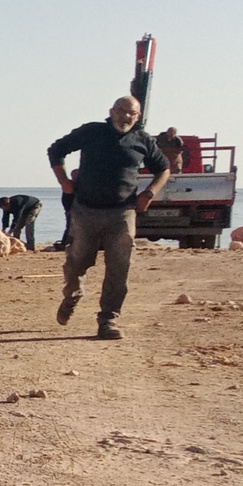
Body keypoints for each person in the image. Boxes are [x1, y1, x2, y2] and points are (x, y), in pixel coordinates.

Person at [47, 95, 172, 339]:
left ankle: (108, 320)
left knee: (119, 268)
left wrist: (149, 193)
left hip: (122, 213)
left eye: (131, 113)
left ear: (137, 117)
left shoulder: (142, 140)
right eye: (121, 110)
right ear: (111, 111)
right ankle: (72, 297)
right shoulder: (92, 131)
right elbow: (56, 150)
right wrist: (64, 182)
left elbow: (164, 168)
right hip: (86, 210)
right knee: (77, 263)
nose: (126, 116)